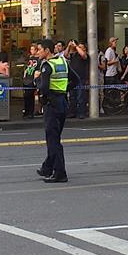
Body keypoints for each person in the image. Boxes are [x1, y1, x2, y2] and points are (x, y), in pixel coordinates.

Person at [35, 39, 80, 183]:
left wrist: (37, 80)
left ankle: (60, 173)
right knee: (54, 137)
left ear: (47, 51)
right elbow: (76, 80)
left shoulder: (47, 66)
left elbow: (44, 88)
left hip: (52, 105)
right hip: (62, 103)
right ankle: (47, 167)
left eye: (40, 49)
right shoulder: (62, 62)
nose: (38, 52)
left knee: (53, 140)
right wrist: (64, 89)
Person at [67, 41, 89, 119]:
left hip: (81, 78)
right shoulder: (74, 55)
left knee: (80, 96)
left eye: (81, 47)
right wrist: (69, 47)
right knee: (72, 97)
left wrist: (76, 46)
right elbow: (65, 55)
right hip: (73, 79)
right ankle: (72, 112)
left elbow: (83, 55)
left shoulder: (85, 56)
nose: (78, 48)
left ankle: (81, 113)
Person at [22, 43, 39, 119]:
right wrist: (24, 76)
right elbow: (27, 67)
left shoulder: (38, 60)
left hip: (32, 79)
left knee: (30, 96)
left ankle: (30, 112)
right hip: (27, 79)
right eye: (31, 49)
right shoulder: (30, 58)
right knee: (26, 96)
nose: (31, 51)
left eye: (32, 49)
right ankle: (26, 111)